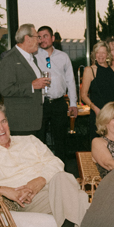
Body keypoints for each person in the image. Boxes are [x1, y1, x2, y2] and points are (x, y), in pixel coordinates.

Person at [0, 102, 90, 227]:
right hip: (24, 202)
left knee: (64, 180)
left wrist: (39, 181)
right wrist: (3, 190)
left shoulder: (30, 141)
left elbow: (56, 163)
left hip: (51, 188)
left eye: (3, 121)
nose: (1, 128)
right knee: (78, 196)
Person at [35, 26, 78, 163]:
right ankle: (40, 169)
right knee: (39, 140)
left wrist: (73, 103)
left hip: (59, 103)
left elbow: (70, 81)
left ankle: (61, 169)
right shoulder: (33, 57)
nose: (42, 40)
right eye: (39, 37)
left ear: (53, 38)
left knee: (60, 140)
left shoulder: (63, 57)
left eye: (45, 36)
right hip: (40, 104)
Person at [0, 24, 47, 137]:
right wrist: (32, 86)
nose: (39, 41)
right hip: (21, 123)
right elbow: (5, 89)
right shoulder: (10, 59)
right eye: (37, 37)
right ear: (27, 38)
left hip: (35, 120)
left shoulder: (32, 59)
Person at [81, 40, 114, 125]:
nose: (100, 55)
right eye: (98, 52)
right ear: (94, 54)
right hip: (97, 113)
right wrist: (95, 109)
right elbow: (83, 95)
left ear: (108, 54)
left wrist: (110, 109)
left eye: (103, 53)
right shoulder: (89, 70)